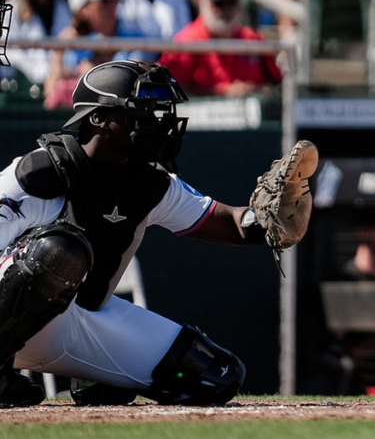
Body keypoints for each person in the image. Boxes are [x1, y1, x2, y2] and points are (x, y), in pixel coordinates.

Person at [0, 59, 308, 407]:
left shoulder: (150, 185)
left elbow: (233, 223)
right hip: (9, 314)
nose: (157, 121)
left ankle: (94, 379)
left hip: (75, 323)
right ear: (98, 118)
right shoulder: (39, 173)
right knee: (60, 250)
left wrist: (269, 219)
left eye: (159, 110)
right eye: (142, 111)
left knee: (216, 375)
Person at [158, 0, 281, 96]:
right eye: (219, 3)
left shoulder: (252, 40)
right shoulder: (185, 44)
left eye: (231, 1)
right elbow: (167, 89)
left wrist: (256, 91)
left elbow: (276, 85)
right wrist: (222, 92)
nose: (226, 9)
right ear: (201, 3)